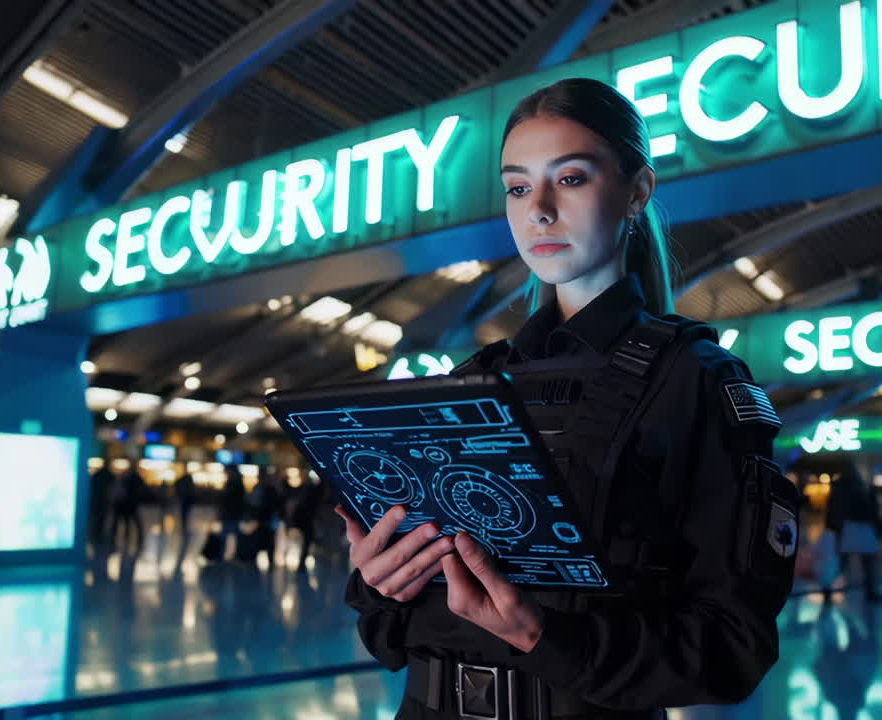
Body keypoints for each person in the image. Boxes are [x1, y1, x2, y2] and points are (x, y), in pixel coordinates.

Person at [335, 78, 798, 719]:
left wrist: (544, 637)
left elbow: (733, 648)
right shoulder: (469, 384)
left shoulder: (697, 380)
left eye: (571, 179)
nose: (540, 210)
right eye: (518, 188)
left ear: (637, 192)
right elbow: (389, 636)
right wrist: (382, 582)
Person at [825, 465, 882, 604]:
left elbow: (833, 510)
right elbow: (872, 510)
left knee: (841, 563)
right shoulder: (862, 488)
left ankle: (827, 589)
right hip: (863, 528)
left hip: (846, 528)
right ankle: (870, 591)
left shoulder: (839, 489)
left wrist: (835, 528)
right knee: (868, 563)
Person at [109, 463, 144, 553]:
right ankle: (124, 539)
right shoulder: (133, 478)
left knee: (122, 522)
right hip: (127, 504)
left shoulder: (124, 478)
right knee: (127, 522)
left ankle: (116, 539)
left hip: (123, 504)